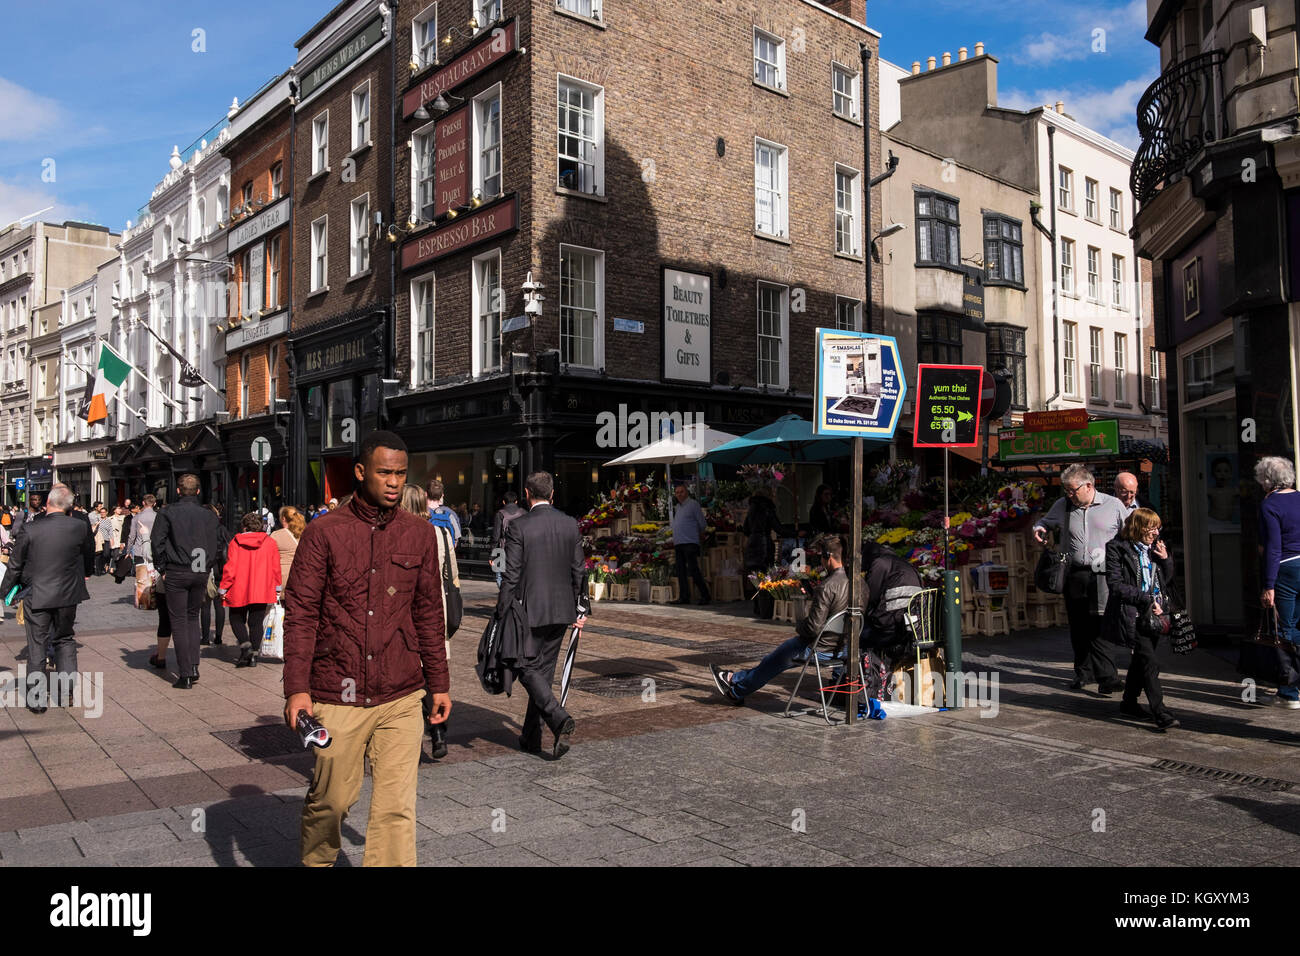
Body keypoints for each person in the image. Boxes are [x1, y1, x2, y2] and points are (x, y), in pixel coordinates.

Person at [284, 431, 450, 867]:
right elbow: (300, 613)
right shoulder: (323, 532)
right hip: (338, 691)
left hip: (402, 691)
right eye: (384, 472)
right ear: (361, 472)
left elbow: (430, 613)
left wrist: (440, 684)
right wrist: (296, 690)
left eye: (400, 473)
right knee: (331, 802)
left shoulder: (420, 534)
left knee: (396, 810)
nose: (394, 482)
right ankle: (317, 861)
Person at [500, 470, 584, 758]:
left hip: (529, 609)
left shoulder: (519, 527)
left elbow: (510, 575)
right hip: (562, 610)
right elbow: (579, 570)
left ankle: (558, 717)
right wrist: (581, 607)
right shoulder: (570, 524)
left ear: (526, 493)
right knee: (543, 672)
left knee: (522, 664)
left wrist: (502, 610)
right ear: (552, 494)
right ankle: (531, 737)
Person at [710, 535, 850, 704]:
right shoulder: (859, 585)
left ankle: (736, 690)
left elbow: (812, 628)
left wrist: (799, 624)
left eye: (821, 557)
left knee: (776, 658)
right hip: (844, 648)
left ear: (828, 557)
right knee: (776, 658)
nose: (820, 561)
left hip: (820, 648)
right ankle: (733, 678)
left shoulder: (827, 586)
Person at [1033, 464, 1128, 694]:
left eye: (1073, 489)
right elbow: (1045, 522)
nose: (1070, 494)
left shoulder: (1113, 505)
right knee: (1078, 626)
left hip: (1104, 573)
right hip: (1075, 573)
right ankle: (1083, 674)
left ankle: (1107, 677)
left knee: (1100, 624)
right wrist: (1039, 529)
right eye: (1067, 490)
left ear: (1088, 485)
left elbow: (1128, 534)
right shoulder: (1064, 505)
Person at [0, 486, 93, 712]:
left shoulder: (31, 529)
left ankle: (37, 699)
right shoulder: (80, 526)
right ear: (69, 505)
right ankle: (67, 692)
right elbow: (87, 556)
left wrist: (5, 591)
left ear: (48, 503)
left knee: (37, 645)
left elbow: (15, 563)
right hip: (68, 595)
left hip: (38, 594)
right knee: (65, 640)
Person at [1104, 508, 1179, 729]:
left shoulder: (1155, 548)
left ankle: (1128, 703)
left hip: (1155, 615)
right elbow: (1115, 586)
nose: (1156, 532)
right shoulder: (1116, 548)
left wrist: (1165, 560)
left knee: (1141, 660)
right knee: (1150, 663)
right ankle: (1161, 712)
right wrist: (1146, 599)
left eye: (1158, 527)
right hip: (1132, 615)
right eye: (1151, 527)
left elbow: (1166, 580)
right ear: (1138, 527)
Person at [401, 484, 459, 759]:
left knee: (412, 676)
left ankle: (411, 736)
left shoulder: (398, 534)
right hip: (437, 612)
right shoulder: (440, 533)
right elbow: (453, 576)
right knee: (434, 673)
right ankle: (438, 734)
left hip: (406, 614)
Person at [149, 477, 221, 689]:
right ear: (198, 491)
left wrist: (161, 567)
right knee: (192, 617)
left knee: (179, 620)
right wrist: (207, 565)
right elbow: (216, 544)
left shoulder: (167, 512)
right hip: (199, 570)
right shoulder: (209, 515)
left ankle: (186, 672)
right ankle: (194, 664)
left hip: (177, 569)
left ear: (179, 490)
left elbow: (157, 542)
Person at [1257, 455, 1300, 708]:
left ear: (1267, 479)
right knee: (1297, 627)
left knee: (1284, 628)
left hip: (1285, 569)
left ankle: (1288, 691)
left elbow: (1273, 547)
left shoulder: (1270, 505)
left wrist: (1268, 584)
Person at [220, 511, 283, 667]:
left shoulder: (236, 541)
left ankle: (245, 645)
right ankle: (254, 655)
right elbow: (276, 567)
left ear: (244, 526)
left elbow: (231, 567)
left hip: (239, 587)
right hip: (262, 587)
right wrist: (277, 587)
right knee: (256, 622)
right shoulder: (270, 542)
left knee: (236, 619)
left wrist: (223, 587)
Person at [670, 484, 710, 605]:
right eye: (677, 492)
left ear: (686, 492)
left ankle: (705, 595)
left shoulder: (693, 504)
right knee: (680, 571)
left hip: (690, 542)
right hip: (679, 542)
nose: (679, 494)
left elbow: (702, 523)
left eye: (681, 492)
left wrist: (700, 533)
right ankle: (684, 596)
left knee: (693, 569)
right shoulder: (678, 507)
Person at [200, 504, 228, 647]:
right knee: (219, 605)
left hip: (206, 569)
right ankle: (218, 636)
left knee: (205, 605)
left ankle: (205, 637)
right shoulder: (221, 529)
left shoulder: (200, 530)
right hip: (221, 569)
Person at [741, 488, 780, 576]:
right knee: (767, 574)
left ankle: (757, 588)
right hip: (765, 545)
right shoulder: (767, 508)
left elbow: (745, 529)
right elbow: (778, 528)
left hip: (752, 543)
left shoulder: (751, 509)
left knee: (755, 574)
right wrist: (795, 533)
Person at [492, 491, 526, 587]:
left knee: (499, 576)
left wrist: (492, 555)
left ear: (503, 502)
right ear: (516, 502)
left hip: (502, 548)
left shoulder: (500, 514)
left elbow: (496, 536)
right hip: (520, 549)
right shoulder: (523, 513)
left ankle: (505, 595)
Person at [271, 506, 304, 590]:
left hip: (283, 578)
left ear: (283, 519)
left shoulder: (276, 535)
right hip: (302, 576)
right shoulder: (305, 533)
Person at [426, 479, 461, 546]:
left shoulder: (420, 513)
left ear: (426, 494)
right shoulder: (450, 514)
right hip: (444, 554)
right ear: (442, 495)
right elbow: (455, 541)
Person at [93, 506, 113, 575]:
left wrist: (112, 539)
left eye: (104, 512)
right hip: (99, 540)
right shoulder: (97, 519)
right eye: (101, 512)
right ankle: (99, 569)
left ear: (106, 513)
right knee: (99, 555)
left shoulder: (108, 520)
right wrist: (96, 525)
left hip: (106, 539)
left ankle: (106, 564)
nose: (102, 513)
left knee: (106, 554)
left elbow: (110, 530)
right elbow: (93, 528)